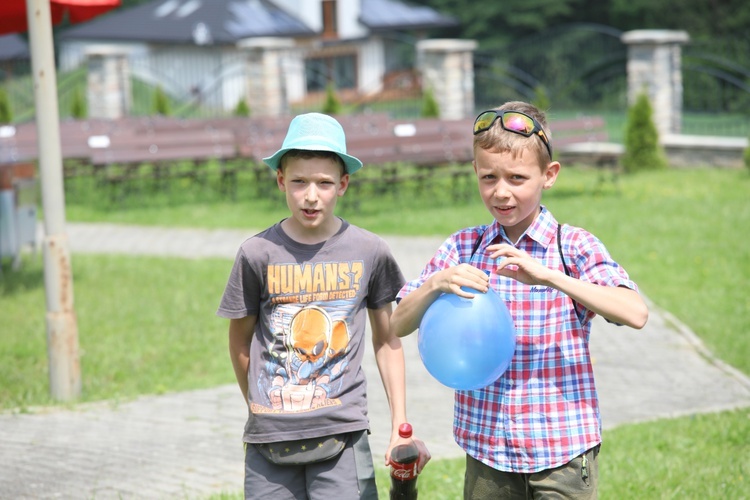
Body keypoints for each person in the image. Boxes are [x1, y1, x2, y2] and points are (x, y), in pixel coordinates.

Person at [390, 101, 648, 499]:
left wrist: (549, 276)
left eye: (516, 177)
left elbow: (635, 312)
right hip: (488, 451)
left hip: (561, 452)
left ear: (549, 175)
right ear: (476, 172)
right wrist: (436, 282)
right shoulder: (464, 246)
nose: (501, 191)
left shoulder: (572, 246)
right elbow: (398, 324)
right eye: (489, 177)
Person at [217, 112, 430, 500]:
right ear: (281, 180)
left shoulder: (370, 250)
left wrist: (400, 420)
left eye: (324, 183)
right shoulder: (256, 253)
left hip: (342, 434)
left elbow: (388, 339)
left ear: (343, 184)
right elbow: (239, 342)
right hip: (269, 439)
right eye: (298, 181)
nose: (311, 195)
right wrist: (261, 403)